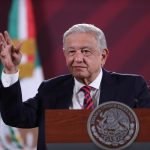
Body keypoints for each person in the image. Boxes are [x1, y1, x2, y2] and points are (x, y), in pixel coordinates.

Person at [0, 23, 150, 150]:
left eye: (85, 51)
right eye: (71, 52)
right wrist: (10, 70)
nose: (77, 58)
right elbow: (16, 117)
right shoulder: (51, 89)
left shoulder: (132, 87)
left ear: (103, 56)